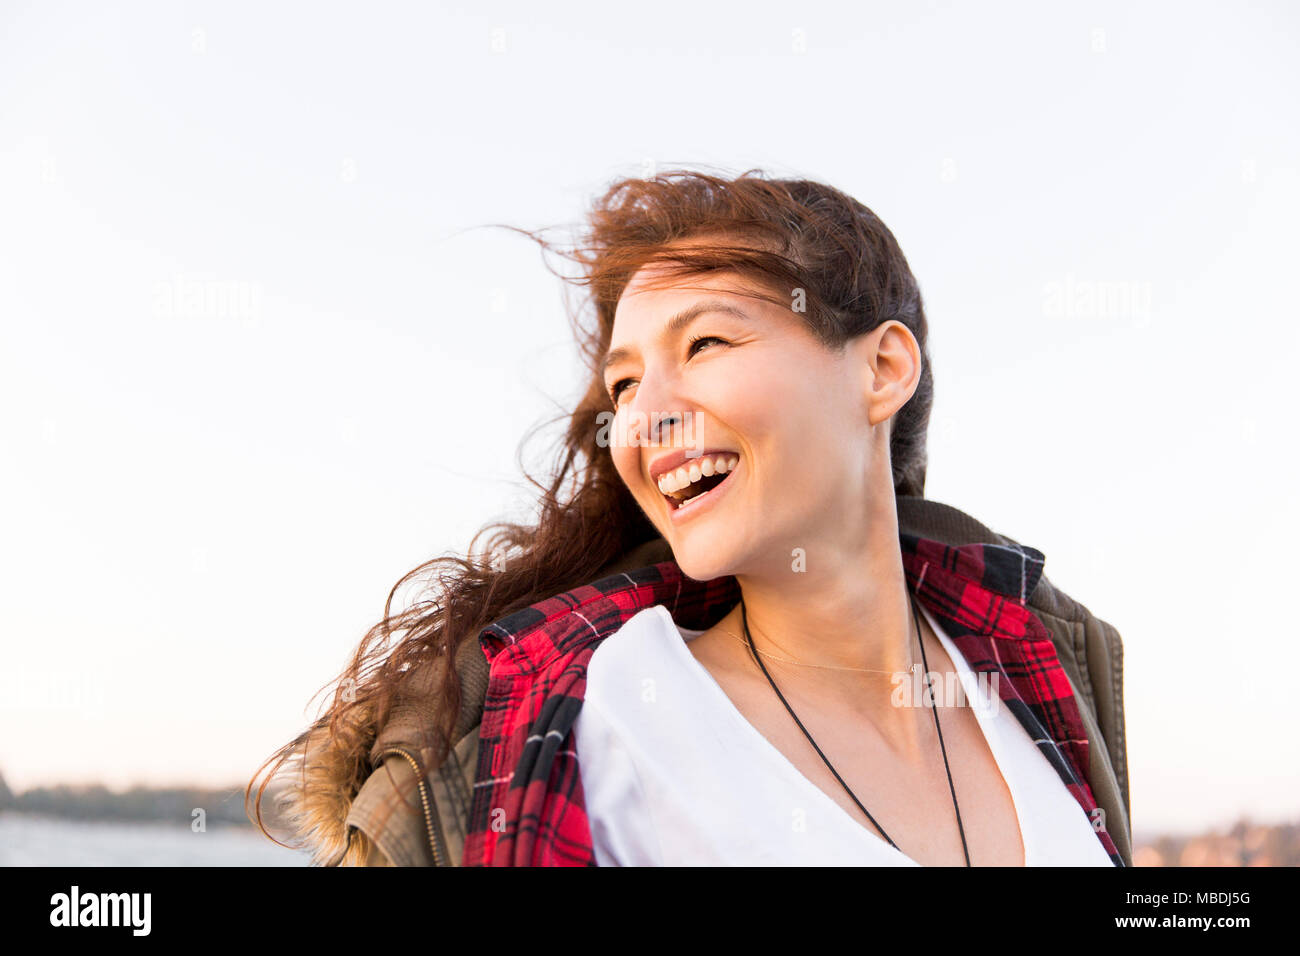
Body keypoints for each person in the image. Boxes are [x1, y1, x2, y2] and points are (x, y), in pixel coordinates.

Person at [247, 168, 1131, 866]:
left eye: (706, 343)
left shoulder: (1042, 676)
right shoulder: (594, 730)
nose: (643, 419)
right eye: (625, 384)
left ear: (882, 370)